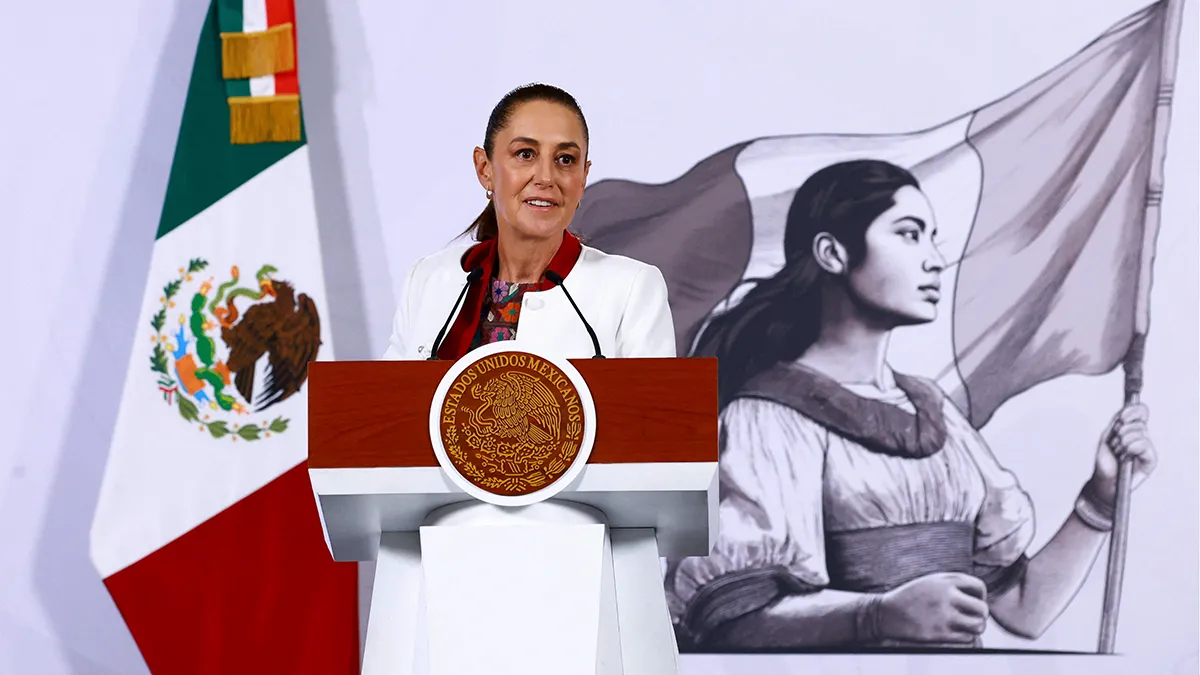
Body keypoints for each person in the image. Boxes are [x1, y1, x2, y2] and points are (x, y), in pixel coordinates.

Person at [662, 159, 1158, 650]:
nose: (934, 259)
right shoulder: (768, 418)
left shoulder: (934, 411)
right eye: (909, 233)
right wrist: (878, 615)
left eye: (931, 236)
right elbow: (732, 621)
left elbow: (1023, 610)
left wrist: (1102, 498)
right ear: (832, 253)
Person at [383, 83, 675, 362]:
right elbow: (388, 406)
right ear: (485, 169)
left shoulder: (631, 289)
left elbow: (657, 411)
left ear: (583, 177)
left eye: (565, 159)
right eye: (525, 154)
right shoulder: (427, 280)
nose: (546, 177)